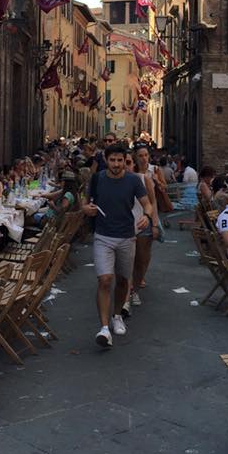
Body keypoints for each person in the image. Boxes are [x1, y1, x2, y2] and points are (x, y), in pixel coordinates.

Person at [82, 142, 153, 348]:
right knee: (105, 280)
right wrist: (87, 209)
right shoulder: (97, 179)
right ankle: (104, 328)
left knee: (123, 281)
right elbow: (84, 203)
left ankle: (117, 315)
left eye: (120, 160)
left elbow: (147, 203)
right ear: (106, 160)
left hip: (126, 236)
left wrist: (147, 216)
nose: (116, 164)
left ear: (124, 161)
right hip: (103, 236)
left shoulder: (133, 181)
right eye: (112, 160)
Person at [128, 145, 160, 306]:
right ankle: (128, 289)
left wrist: (154, 223)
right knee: (127, 259)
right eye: (140, 155)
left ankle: (135, 285)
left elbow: (153, 201)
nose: (143, 158)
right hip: (124, 225)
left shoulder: (145, 178)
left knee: (141, 258)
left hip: (143, 222)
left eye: (146, 155)